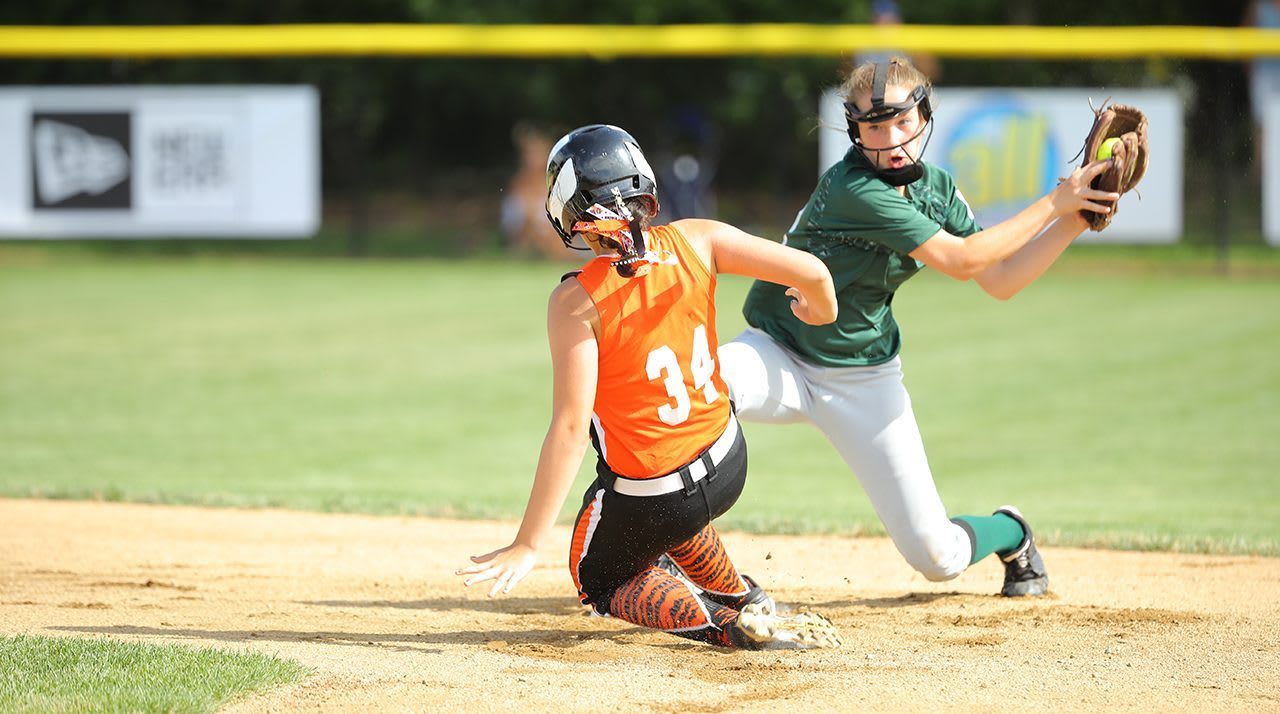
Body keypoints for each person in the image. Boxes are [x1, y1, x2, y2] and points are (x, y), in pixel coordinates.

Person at [719, 58, 1122, 597]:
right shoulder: (853, 187)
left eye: (902, 121)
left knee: (938, 557)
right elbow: (960, 260)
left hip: (863, 378)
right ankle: (670, 545)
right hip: (777, 353)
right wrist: (1055, 200)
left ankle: (1012, 531)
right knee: (701, 385)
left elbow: (1001, 279)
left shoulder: (937, 190)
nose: (891, 139)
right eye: (874, 127)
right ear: (854, 132)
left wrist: (1074, 218)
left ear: (925, 117)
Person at [456, 124, 842, 649]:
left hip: (658, 493)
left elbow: (570, 429)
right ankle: (742, 596)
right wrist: (820, 311)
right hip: (729, 461)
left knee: (598, 577)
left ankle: (727, 626)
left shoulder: (575, 302)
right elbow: (814, 272)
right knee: (667, 512)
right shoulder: (699, 238)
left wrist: (527, 543)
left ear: (573, 214)